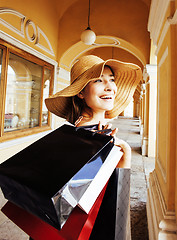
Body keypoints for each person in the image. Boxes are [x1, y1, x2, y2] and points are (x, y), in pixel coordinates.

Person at [45, 55, 142, 169]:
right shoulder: (85, 134)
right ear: (81, 92)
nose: (110, 87)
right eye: (98, 80)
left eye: (112, 80)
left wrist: (123, 148)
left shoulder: (90, 129)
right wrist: (124, 150)